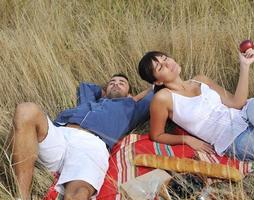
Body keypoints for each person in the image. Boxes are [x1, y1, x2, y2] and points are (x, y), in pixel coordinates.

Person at [138, 49, 254, 163]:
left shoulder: (201, 79)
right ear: (157, 81)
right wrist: (186, 139)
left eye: (165, 58)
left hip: (248, 111)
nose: (167, 64)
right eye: (160, 67)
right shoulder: (162, 98)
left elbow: (237, 103)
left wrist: (245, 65)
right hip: (233, 140)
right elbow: (156, 135)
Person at [11, 73, 153, 200]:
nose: (116, 84)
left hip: (91, 144)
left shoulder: (131, 109)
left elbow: (155, 91)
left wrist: (132, 99)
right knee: (26, 110)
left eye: (122, 83)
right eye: (112, 82)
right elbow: (87, 86)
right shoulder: (89, 101)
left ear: (129, 93)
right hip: (60, 134)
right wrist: (106, 93)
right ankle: (21, 196)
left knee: (78, 193)